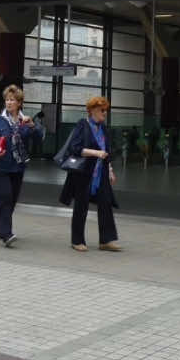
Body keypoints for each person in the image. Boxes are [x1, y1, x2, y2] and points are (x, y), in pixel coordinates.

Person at [59, 95, 121, 253]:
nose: (105, 113)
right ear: (92, 110)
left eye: (106, 110)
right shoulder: (82, 125)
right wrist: (95, 153)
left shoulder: (103, 128)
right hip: (84, 173)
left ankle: (106, 240)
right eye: (102, 110)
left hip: (100, 173)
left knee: (105, 203)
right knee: (81, 205)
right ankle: (77, 240)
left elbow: (106, 152)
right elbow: (75, 148)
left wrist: (110, 170)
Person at [0, 84, 42, 247]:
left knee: (11, 200)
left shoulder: (25, 121)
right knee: (5, 197)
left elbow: (38, 139)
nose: (9, 103)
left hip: (17, 167)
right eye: (7, 100)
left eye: (13, 100)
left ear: (19, 103)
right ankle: (5, 233)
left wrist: (32, 126)